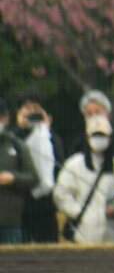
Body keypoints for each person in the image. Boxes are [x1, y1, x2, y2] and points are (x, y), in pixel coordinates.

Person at [51, 115, 114, 244]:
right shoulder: (73, 164)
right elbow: (61, 194)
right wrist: (78, 212)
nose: (99, 140)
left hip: (111, 233)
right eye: (95, 135)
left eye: (103, 136)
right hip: (83, 233)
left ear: (110, 139)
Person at [15, 91, 62, 243]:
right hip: (19, 204)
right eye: (27, 108)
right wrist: (21, 129)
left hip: (45, 205)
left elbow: (58, 161)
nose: (32, 112)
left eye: (36, 108)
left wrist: (46, 130)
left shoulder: (51, 137)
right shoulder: (13, 137)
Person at [0, 96, 40, 244]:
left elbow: (33, 177)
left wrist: (13, 178)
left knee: (11, 265)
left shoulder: (17, 145)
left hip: (10, 220)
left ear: (5, 118)